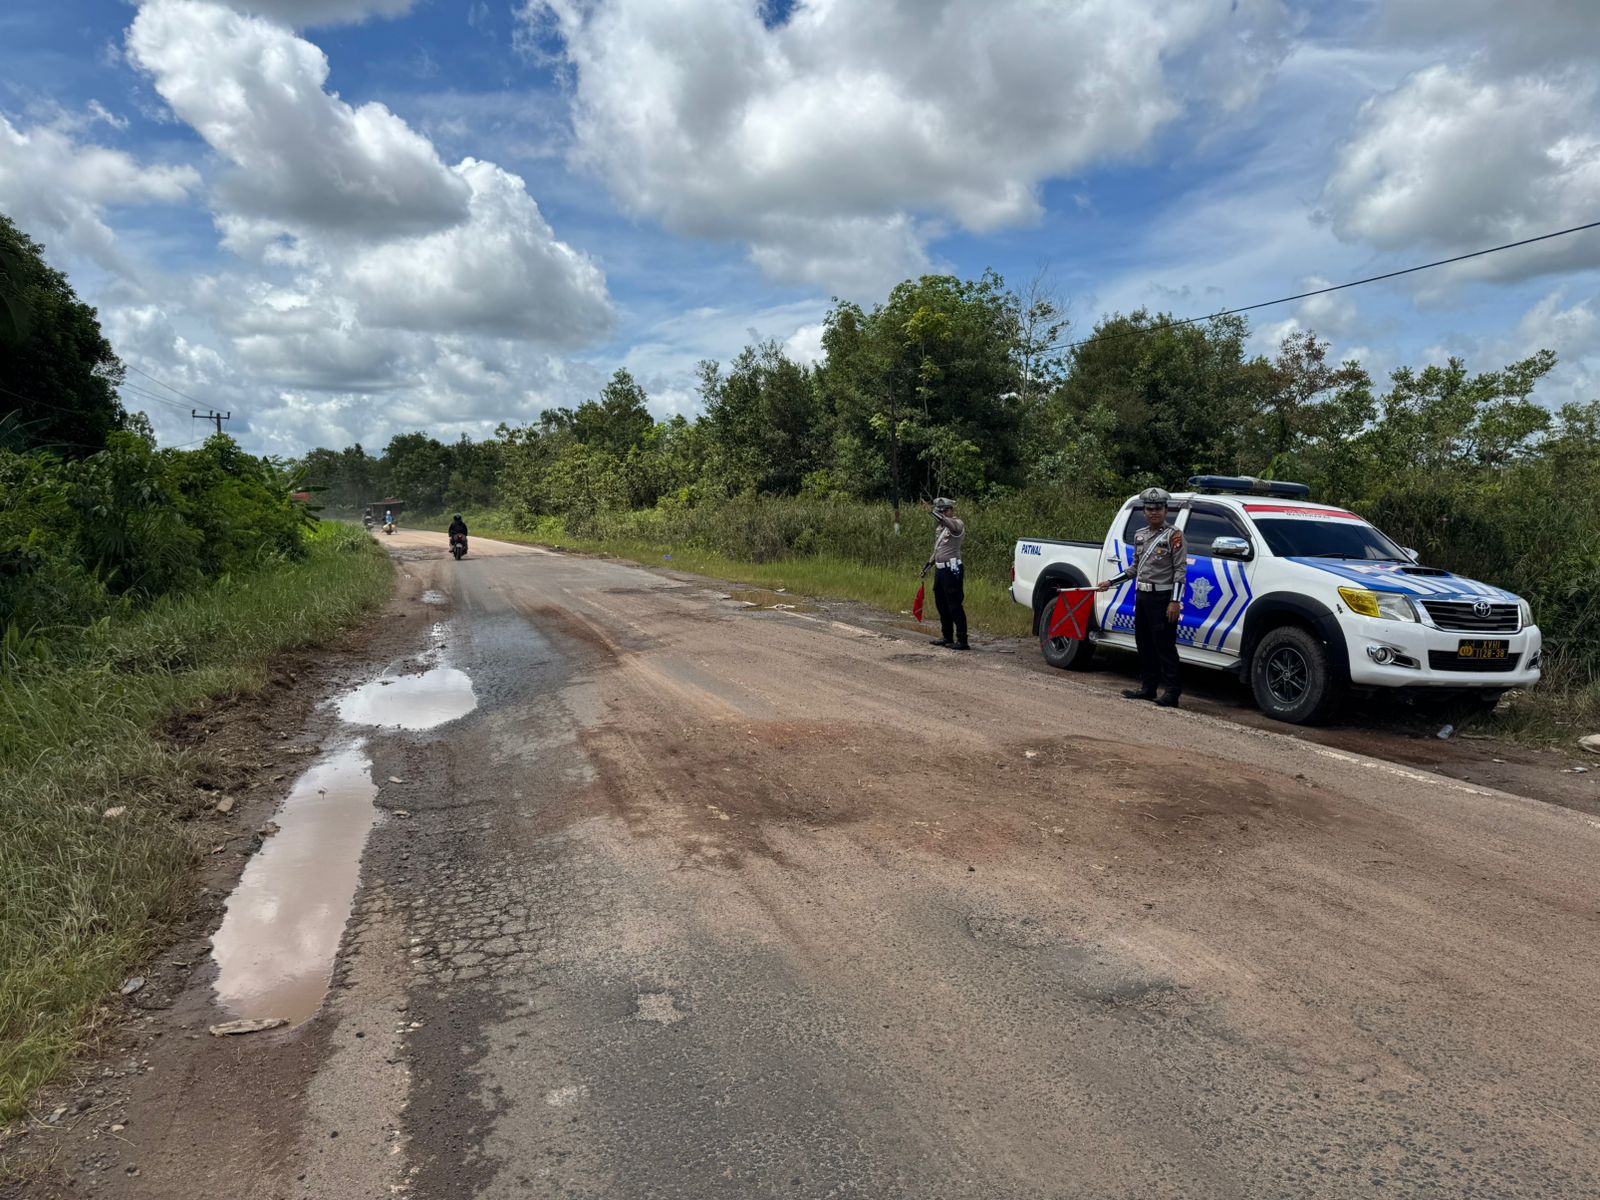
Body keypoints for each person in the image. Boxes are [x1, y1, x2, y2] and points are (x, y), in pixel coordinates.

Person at [1097, 486, 1186, 706]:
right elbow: (1134, 568)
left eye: (1158, 509)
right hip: (1143, 596)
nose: (1154, 513)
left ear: (1166, 511)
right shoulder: (1140, 535)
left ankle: (1172, 692)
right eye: (1149, 509)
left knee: (1164, 646)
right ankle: (1148, 688)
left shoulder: (1174, 535)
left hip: (1163, 598)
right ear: (1144, 512)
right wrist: (1110, 582)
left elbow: (1180, 570)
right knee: (1144, 643)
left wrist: (1175, 601)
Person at [923, 497, 969, 651]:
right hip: (941, 569)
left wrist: (933, 513)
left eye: (945, 510)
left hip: (952, 568)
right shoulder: (941, 529)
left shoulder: (957, 524)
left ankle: (962, 639)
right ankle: (947, 636)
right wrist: (928, 565)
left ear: (951, 510)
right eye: (940, 511)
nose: (942, 513)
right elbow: (938, 550)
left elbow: (948, 523)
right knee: (941, 604)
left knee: (954, 604)